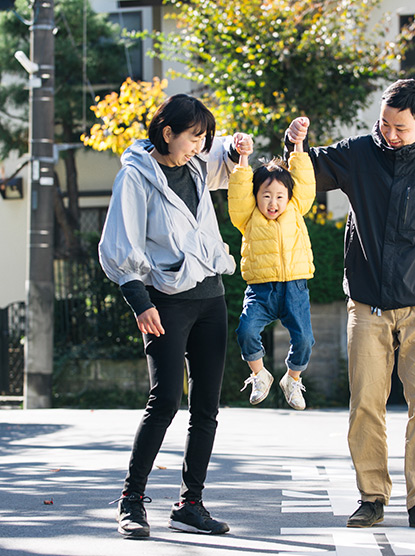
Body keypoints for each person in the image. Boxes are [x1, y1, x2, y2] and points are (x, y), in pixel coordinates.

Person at [285, 79, 415, 530]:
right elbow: (305, 173)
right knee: (366, 405)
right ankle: (372, 497)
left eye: (399, 127)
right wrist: (294, 144)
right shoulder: (359, 153)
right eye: (384, 123)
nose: (389, 134)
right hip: (367, 303)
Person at [98, 94, 253, 538]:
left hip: (210, 297)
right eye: (193, 136)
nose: (200, 145)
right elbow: (119, 244)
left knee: (207, 405)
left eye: (204, 138)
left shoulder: (197, 166)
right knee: (165, 400)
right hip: (165, 300)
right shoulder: (135, 178)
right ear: (167, 133)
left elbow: (227, 158)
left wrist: (236, 146)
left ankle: (190, 504)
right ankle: (131, 501)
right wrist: (139, 301)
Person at [228, 117, 316, 411]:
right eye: (266, 196)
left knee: (304, 339)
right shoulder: (248, 216)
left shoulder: (296, 208)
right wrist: (243, 158)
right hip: (261, 290)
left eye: (279, 196)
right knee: (246, 331)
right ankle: (259, 374)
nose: (273, 202)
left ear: (289, 198)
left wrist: (298, 145)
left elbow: (303, 179)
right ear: (256, 197)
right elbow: (239, 193)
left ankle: (292, 379)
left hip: (295, 286)